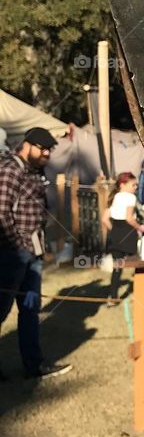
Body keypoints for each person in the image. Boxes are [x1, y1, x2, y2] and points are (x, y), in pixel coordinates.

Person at [0, 127, 72, 379]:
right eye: (42, 149)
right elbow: (1, 213)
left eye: (49, 150)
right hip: (12, 254)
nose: (46, 154)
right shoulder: (10, 170)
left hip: (34, 253)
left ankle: (34, 365)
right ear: (27, 145)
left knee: (30, 310)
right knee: (1, 311)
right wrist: (18, 246)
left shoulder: (34, 171)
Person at [104, 171, 144, 302]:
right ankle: (141, 291)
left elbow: (105, 219)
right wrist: (140, 227)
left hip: (115, 233)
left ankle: (113, 296)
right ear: (123, 184)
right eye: (133, 185)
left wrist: (115, 232)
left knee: (117, 267)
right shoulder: (130, 198)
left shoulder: (114, 196)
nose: (135, 188)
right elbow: (129, 218)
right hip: (128, 234)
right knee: (139, 263)